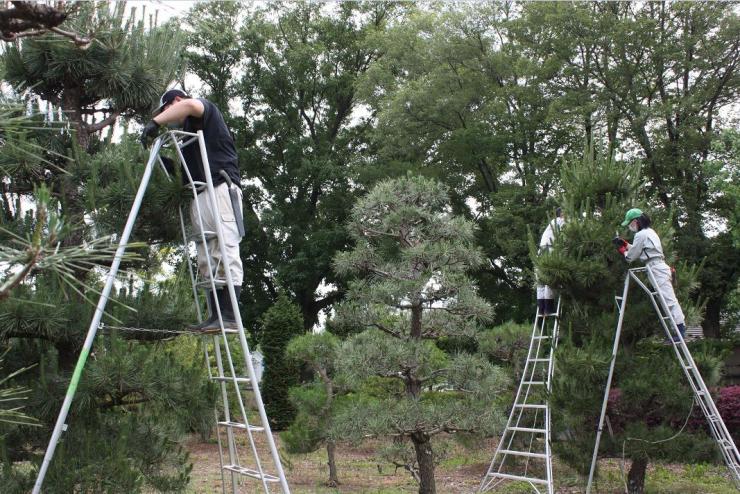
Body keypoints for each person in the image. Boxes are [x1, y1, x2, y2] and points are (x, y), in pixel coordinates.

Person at [141, 89, 244, 332]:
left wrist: (155, 123)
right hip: (199, 194)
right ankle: (215, 315)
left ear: (176, 101)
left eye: (166, 109)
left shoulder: (205, 112)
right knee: (206, 257)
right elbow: (181, 171)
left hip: (220, 187)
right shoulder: (188, 140)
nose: (166, 115)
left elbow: (189, 106)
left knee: (225, 249)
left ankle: (229, 315)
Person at [613, 208, 686, 341]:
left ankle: (680, 330)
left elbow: (631, 257)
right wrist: (625, 244)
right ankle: (677, 330)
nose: (630, 227)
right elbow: (641, 249)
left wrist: (622, 249)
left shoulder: (640, 235)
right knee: (667, 300)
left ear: (636, 221)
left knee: (669, 300)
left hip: (656, 268)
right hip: (658, 266)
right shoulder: (650, 232)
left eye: (630, 223)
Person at [536, 207, 565, 316]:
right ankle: (548, 309)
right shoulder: (560, 221)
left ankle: (541, 309)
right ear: (561, 214)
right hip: (549, 249)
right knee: (550, 279)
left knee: (541, 281)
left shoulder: (551, 224)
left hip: (541, 251)